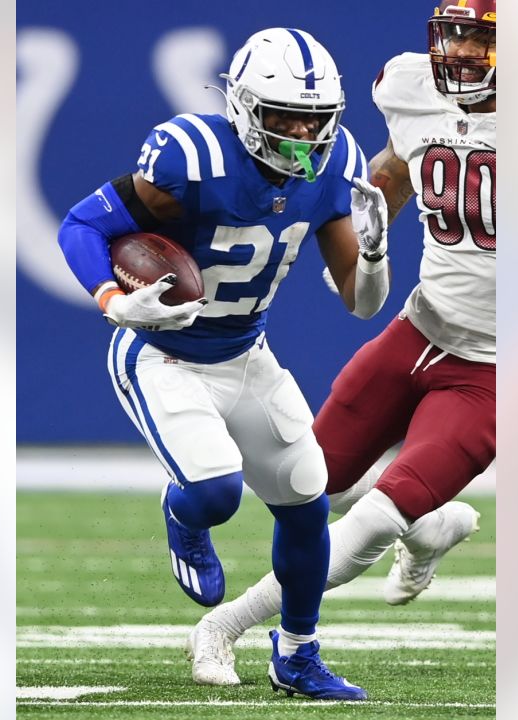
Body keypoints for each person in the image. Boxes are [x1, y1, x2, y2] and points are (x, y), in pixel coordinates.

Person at [55, 28, 391, 701]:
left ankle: (297, 656)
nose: (302, 133)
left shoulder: (334, 166)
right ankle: (185, 518)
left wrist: (378, 256)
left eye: (315, 119)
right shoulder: (192, 157)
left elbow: (360, 303)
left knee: (304, 501)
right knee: (215, 492)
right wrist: (113, 299)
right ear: (242, 108)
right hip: (163, 351)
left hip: (246, 351)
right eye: (285, 117)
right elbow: (80, 225)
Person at [187, 0, 497, 686]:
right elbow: (395, 165)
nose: (463, 54)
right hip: (419, 328)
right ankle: (431, 523)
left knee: (373, 520)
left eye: (482, 40)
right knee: (306, 490)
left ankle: (228, 625)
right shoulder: (413, 86)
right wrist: (369, 241)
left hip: (495, 367)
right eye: (457, 36)